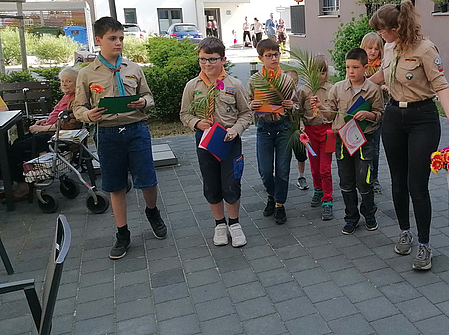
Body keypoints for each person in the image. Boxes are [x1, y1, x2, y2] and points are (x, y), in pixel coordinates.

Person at [368, 0, 449, 271]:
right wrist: (355, 85)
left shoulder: (425, 49)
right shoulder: (389, 47)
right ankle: (404, 231)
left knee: (417, 184)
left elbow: (441, 85)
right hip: (393, 118)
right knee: (397, 181)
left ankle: (424, 244)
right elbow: (382, 75)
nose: (381, 36)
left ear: (397, 27)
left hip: (422, 119)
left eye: (384, 31)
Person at [74, 16, 167, 260]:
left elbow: (149, 96)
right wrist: (89, 115)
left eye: (121, 38)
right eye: (112, 38)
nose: (118, 43)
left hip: (136, 130)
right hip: (107, 134)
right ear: (98, 40)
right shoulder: (86, 74)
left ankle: (152, 212)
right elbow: (78, 107)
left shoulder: (133, 69)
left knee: (148, 180)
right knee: (115, 186)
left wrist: (143, 102)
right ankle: (122, 232)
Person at [180, 37, 253, 247]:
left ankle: (235, 224)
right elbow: (184, 114)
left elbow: (246, 114)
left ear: (223, 59)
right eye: (203, 59)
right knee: (211, 184)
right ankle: (219, 224)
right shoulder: (192, 86)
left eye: (212, 59)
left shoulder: (234, 84)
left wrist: (235, 130)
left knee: (231, 182)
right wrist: (196, 123)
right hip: (205, 141)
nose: (207, 64)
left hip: (229, 141)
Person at [312, 48, 384, 235]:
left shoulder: (373, 90)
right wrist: (320, 107)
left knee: (364, 181)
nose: (351, 71)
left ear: (365, 68)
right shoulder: (338, 88)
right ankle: (351, 217)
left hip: (364, 141)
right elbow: (329, 115)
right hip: (342, 141)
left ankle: (369, 214)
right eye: (348, 67)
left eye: (355, 67)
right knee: (346, 181)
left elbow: (380, 115)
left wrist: (369, 114)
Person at [8, 66, 82, 200]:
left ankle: (23, 186)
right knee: (17, 143)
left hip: (55, 136)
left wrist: (42, 129)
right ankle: (24, 180)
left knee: (15, 149)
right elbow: (58, 117)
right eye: (62, 81)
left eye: (69, 81)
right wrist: (45, 121)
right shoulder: (67, 96)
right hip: (50, 131)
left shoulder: (76, 100)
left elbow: (66, 125)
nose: (64, 84)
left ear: (77, 83)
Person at [248, 39, 296, 224]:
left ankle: (279, 204)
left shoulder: (286, 80)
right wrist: (252, 105)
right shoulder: (254, 80)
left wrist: (292, 105)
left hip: (283, 127)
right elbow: (247, 103)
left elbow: (296, 104)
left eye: (276, 54)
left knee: (283, 170)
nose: (274, 58)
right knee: (265, 170)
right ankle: (271, 194)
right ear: (261, 58)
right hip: (264, 128)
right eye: (269, 55)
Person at [296, 55, 335, 220]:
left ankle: (328, 200)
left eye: (323, 72)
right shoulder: (303, 90)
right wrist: (301, 127)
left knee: (325, 168)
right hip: (310, 132)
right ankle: (318, 189)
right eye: (317, 72)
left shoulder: (332, 89)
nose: (321, 76)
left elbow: (334, 112)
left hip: (328, 132)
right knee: (314, 166)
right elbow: (297, 111)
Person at [360, 32, 387, 195]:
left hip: (377, 112)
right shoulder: (359, 65)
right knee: (361, 144)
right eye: (370, 48)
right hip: (360, 110)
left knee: (375, 147)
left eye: (376, 49)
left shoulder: (383, 66)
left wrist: (384, 88)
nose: (373, 52)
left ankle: (374, 177)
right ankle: (361, 176)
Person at [284, 69, 308, 190]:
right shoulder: (279, 95)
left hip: (297, 129)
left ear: (296, 82)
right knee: (284, 155)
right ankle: (281, 178)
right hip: (284, 130)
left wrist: (302, 124)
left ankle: (301, 176)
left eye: (291, 82)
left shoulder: (299, 94)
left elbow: (302, 112)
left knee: (300, 153)